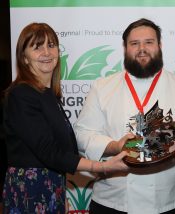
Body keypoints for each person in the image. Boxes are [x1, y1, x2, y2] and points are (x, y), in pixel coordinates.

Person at [74, 18, 175, 214]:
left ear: (160, 46)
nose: (142, 49)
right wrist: (116, 146)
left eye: (149, 42)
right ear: (125, 48)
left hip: (165, 202)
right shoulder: (102, 87)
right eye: (134, 43)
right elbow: (82, 135)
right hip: (112, 201)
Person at [2, 23, 130, 214]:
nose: (47, 52)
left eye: (51, 45)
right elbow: (48, 151)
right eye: (37, 47)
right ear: (24, 58)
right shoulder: (21, 94)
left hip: (52, 185)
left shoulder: (49, 95)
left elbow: (65, 148)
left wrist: (59, 195)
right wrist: (100, 166)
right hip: (31, 190)